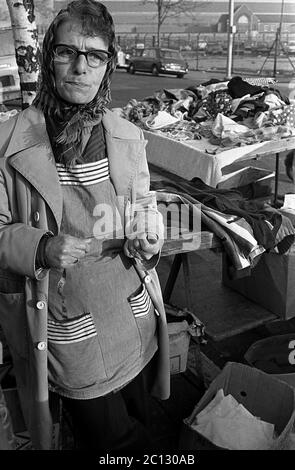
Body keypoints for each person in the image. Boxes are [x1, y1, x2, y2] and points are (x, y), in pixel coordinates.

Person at [0, 0, 170, 451]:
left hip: (132, 315)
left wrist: (150, 232)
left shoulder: (125, 135)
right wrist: (40, 247)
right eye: (66, 52)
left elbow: (143, 205)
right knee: (109, 437)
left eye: (95, 55)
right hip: (65, 322)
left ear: (108, 65)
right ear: (47, 56)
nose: (80, 68)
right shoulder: (9, 142)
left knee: (140, 421)